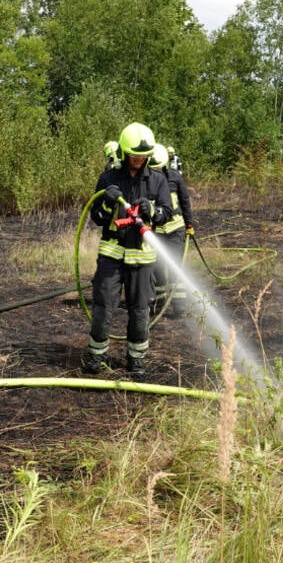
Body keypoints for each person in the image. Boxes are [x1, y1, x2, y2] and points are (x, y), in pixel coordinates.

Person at [84, 122, 172, 377]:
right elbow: (97, 217)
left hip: (143, 259)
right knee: (103, 307)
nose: (139, 160)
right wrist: (106, 201)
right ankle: (97, 357)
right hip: (111, 256)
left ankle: (136, 360)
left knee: (140, 310)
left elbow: (166, 214)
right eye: (134, 155)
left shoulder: (158, 180)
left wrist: (152, 211)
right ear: (124, 152)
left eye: (143, 156)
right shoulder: (108, 178)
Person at [149, 143, 195, 316]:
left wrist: (189, 225)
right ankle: (159, 304)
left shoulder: (175, 177)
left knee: (176, 266)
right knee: (158, 269)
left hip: (176, 229)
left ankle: (179, 306)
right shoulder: (147, 181)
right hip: (158, 232)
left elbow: (184, 201)